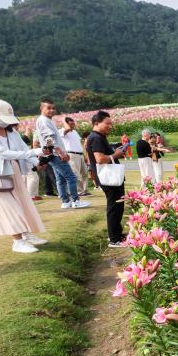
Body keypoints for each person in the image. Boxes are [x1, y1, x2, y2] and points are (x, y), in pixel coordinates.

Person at [0, 99, 48, 253]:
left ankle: (26, 235)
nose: (6, 122)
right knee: (9, 207)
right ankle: (17, 242)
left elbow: (22, 148)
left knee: (23, 203)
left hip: (13, 170)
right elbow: (2, 153)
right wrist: (36, 152)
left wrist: (36, 161)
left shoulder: (11, 131)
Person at [36, 99, 89, 209]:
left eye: (53, 108)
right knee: (71, 177)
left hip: (52, 154)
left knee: (60, 179)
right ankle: (75, 201)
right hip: (55, 154)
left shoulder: (47, 120)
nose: (52, 110)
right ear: (41, 108)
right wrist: (60, 152)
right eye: (48, 108)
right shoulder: (44, 120)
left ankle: (65, 202)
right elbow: (49, 139)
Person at [86, 110, 128, 248]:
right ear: (97, 123)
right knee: (114, 207)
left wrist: (115, 152)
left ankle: (117, 234)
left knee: (118, 206)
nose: (110, 126)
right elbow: (100, 159)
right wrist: (116, 154)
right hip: (108, 178)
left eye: (111, 123)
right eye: (107, 123)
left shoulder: (99, 136)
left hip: (110, 177)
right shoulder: (96, 138)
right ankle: (114, 239)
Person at [61, 117, 91, 196]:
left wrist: (84, 155)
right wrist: (64, 121)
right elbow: (66, 130)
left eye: (73, 123)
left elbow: (79, 144)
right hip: (72, 155)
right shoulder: (62, 131)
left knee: (85, 173)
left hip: (80, 154)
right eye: (71, 124)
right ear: (66, 124)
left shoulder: (74, 132)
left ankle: (85, 190)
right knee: (76, 174)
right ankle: (79, 191)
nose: (73, 125)